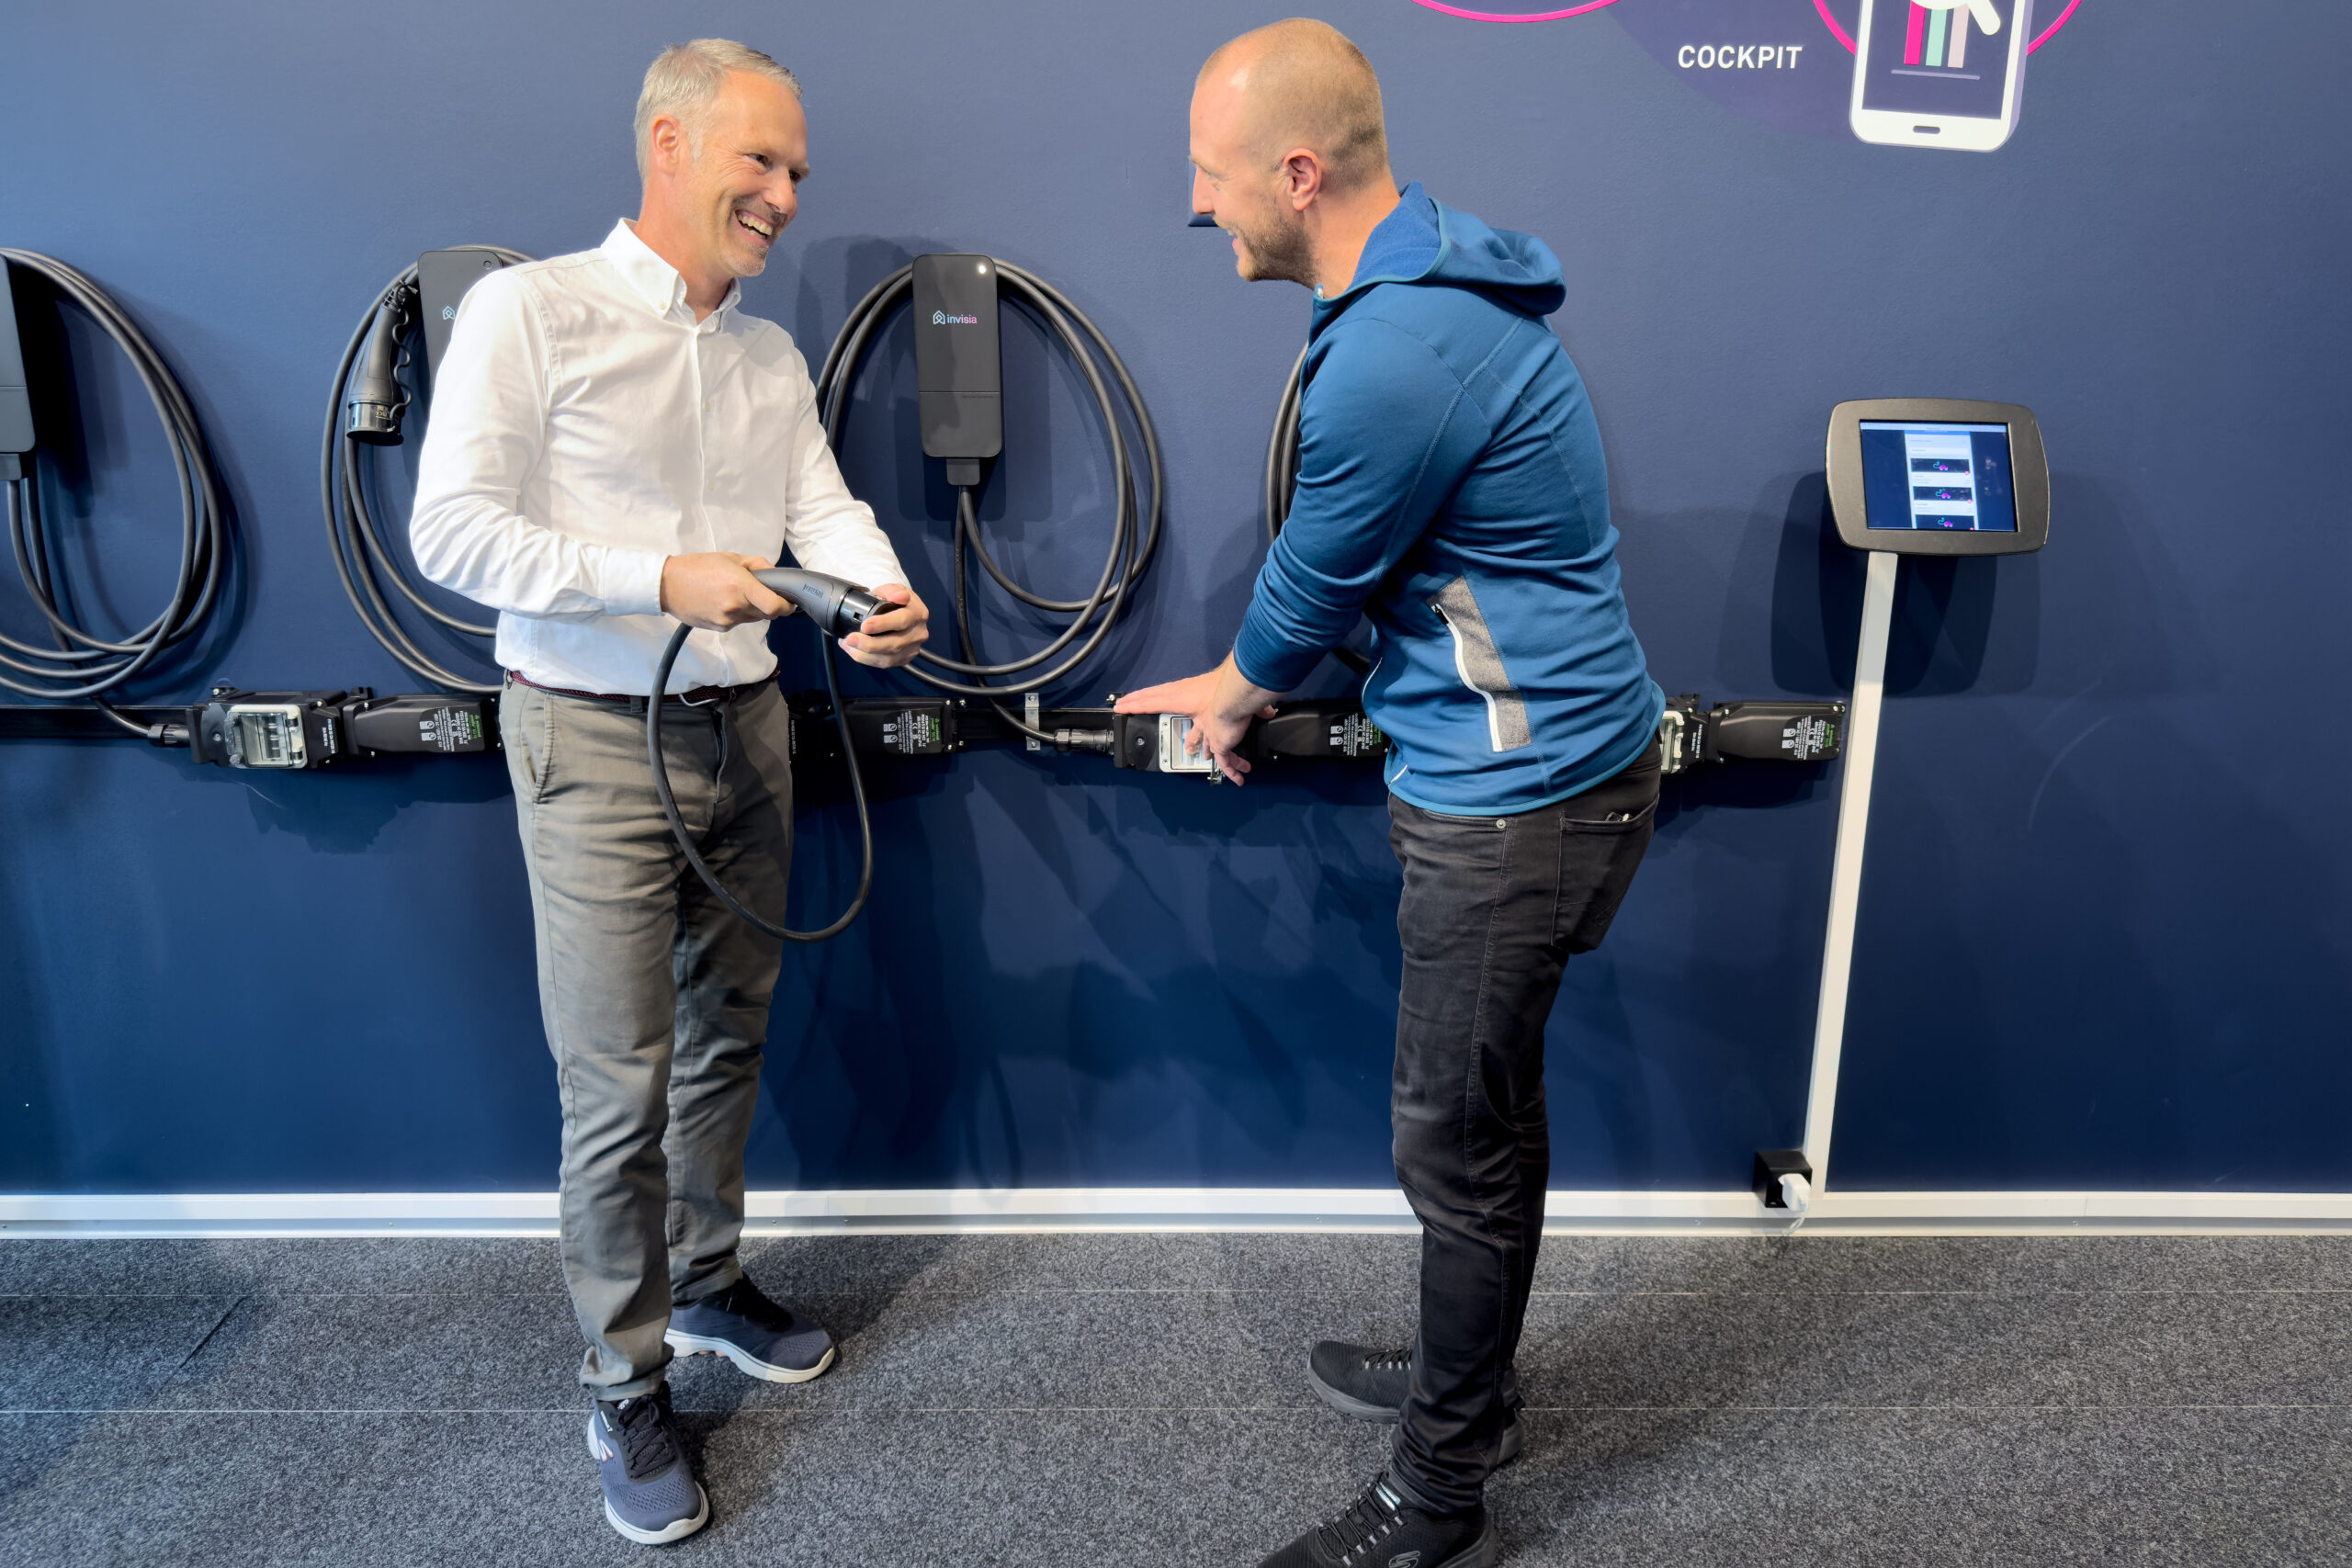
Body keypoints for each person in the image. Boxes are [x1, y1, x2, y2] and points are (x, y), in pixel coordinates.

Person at [1118, 19, 1664, 1568]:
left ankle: (1436, 1500)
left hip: (1522, 800)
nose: (1199, 206)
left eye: (1214, 176)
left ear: (1299, 174)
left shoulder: (1399, 350)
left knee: (1453, 1147)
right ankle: (1465, 1388)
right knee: (1489, 1120)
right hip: (1535, 774)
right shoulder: (1418, 281)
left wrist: (1233, 690)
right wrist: (1243, 681)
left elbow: (1315, 578)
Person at [410, 38, 929, 1547]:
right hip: (587, 737)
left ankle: (706, 1287)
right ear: (669, 144)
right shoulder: (533, 312)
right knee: (616, 1079)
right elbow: (454, 533)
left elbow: (821, 506)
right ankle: (622, 1383)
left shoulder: (764, 356)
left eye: (796, 172)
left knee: (727, 1038)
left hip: (743, 727)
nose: (785, 195)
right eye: (760, 160)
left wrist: (879, 591)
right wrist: (659, 577)